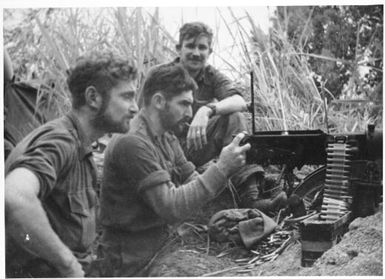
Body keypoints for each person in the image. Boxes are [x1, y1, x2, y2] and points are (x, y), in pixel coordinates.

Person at [99, 63, 251, 276]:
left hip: (158, 244)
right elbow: (171, 207)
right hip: (129, 261)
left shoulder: (166, 135)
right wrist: (222, 167)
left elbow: (191, 178)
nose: (190, 112)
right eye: (184, 104)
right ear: (159, 101)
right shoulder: (133, 142)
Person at [5, 51, 139, 277]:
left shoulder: (81, 146)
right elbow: (14, 197)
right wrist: (68, 265)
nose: (135, 107)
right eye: (127, 97)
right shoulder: (60, 141)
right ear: (93, 98)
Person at [163, 21, 287, 211]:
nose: (196, 52)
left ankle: (250, 196)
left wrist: (208, 110)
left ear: (209, 51)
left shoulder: (210, 75)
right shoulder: (162, 76)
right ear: (179, 48)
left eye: (202, 47)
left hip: (195, 146)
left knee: (234, 117)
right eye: (190, 46)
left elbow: (238, 100)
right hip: (167, 152)